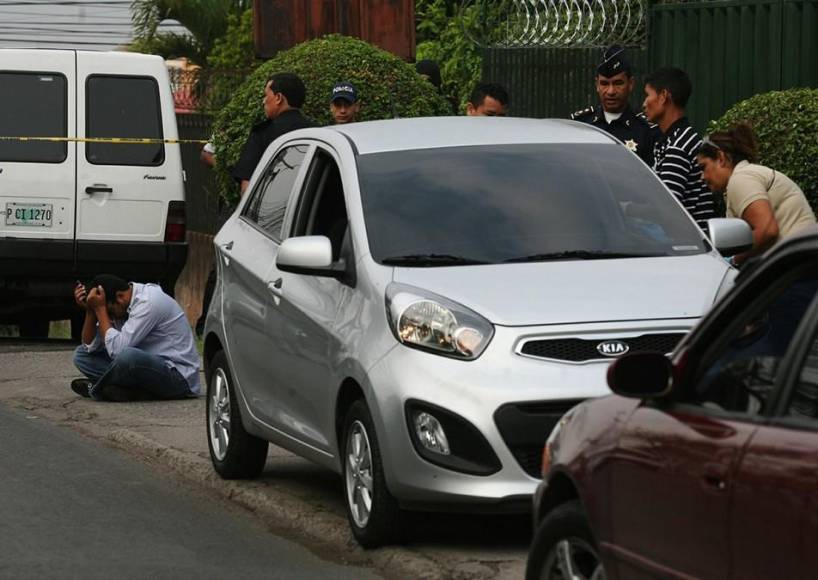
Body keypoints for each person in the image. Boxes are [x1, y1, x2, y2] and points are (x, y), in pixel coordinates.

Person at [698, 123, 816, 267]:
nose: (702, 177)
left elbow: (767, 231)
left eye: (704, 167)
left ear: (721, 158)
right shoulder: (746, 175)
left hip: (796, 270)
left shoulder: (741, 178)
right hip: (800, 264)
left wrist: (735, 260)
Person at [70, 274, 201, 402]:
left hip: (177, 377)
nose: (110, 317)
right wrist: (91, 310)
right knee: (81, 356)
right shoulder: (119, 306)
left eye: (109, 311)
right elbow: (89, 346)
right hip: (145, 369)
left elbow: (117, 351)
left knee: (128, 356)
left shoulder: (148, 302)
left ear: (120, 297)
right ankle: (133, 391)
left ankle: (97, 390)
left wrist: (100, 310)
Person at [643, 67, 716, 232]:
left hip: (690, 245)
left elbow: (664, 207)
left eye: (648, 95)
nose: (644, 103)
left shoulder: (678, 146)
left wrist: (626, 209)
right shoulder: (677, 138)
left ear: (663, 97)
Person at [570, 45, 659, 166]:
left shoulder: (646, 130)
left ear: (631, 84)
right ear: (597, 85)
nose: (611, 91)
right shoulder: (580, 124)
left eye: (618, 83)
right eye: (604, 83)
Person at [231, 72, 315, 194]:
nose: (263, 101)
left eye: (266, 95)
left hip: (270, 209)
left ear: (278, 98)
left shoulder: (263, 133)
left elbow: (247, 188)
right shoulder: (318, 132)